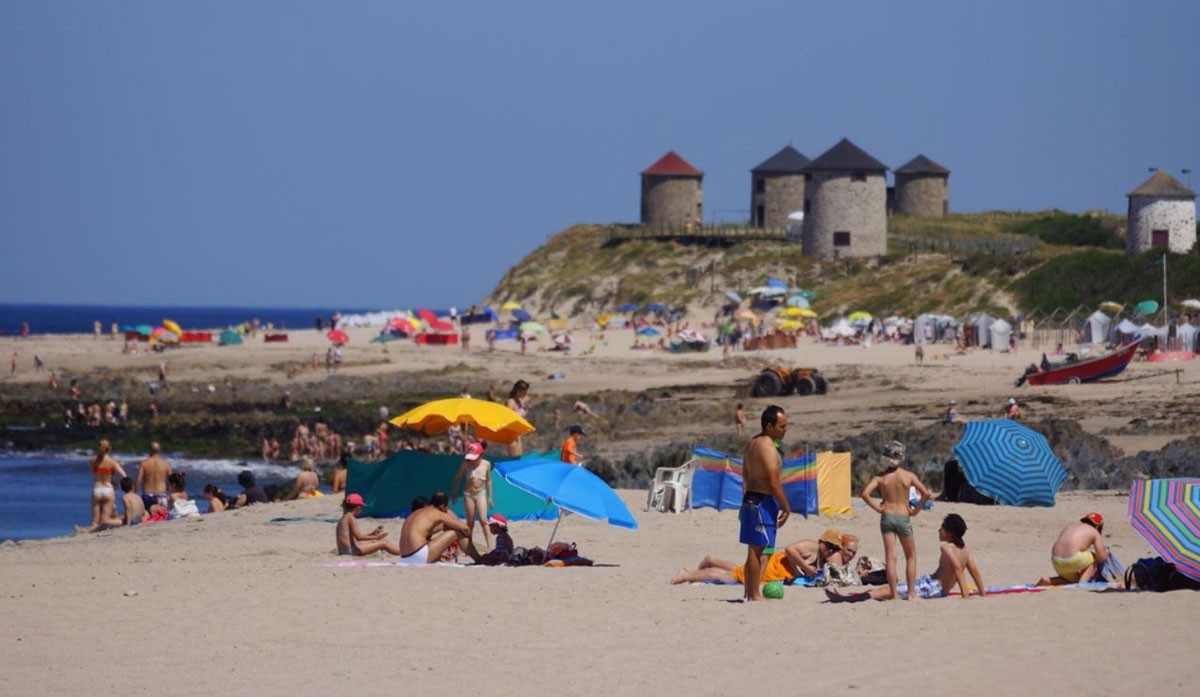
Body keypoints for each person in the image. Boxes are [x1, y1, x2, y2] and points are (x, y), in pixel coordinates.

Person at [826, 514, 985, 601]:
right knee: (889, 589)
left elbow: (957, 568)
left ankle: (844, 599)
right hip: (933, 585)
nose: (939, 530)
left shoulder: (946, 547)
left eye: (942, 528)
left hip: (932, 586)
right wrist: (982, 592)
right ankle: (850, 597)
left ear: (949, 533)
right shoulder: (966, 550)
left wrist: (965, 595)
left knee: (888, 589)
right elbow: (975, 572)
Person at [860, 440, 930, 601]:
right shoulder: (908, 476)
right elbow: (925, 494)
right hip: (903, 515)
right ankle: (912, 593)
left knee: (891, 557)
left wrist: (877, 508)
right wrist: (915, 510)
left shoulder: (881, 478)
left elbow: (864, 494)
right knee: (911, 555)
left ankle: (894, 594)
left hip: (887, 516)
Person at [739, 406, 792, 601]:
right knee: (757, 550)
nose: (785, 430)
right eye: (781, 426)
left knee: (754, 549)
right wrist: (786, 507)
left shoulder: (752, 443)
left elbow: (745, 474)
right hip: (761, 501)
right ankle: (753, 594)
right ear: (769, 426)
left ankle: (748, 591)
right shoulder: (767, 447)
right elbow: (773, 482)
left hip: (752, 498)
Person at [670, 529, 842, 586]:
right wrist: (804, 569)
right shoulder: (811, 546)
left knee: (740, 570)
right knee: (732, 577)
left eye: (833, 548)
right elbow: (790, 549)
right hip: (772, 567)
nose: (829, 550)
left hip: (777, 572)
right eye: (828, 545)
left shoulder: (824, 556)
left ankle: (712, 560)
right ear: (821, 541)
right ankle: (686, 574)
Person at [397, 492, 482, 565]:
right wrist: (468, 540)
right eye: (447, 508)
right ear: (442, 506)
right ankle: (479, 559)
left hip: (404, 557)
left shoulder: (416, 513)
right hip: (418, 556)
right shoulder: (437, 513)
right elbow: (465, 528)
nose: (447, 511)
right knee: (456, 532)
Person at [1037, 513, 1111, 586]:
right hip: (1072, 559)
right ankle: (1082, 583)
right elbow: (1102, 557)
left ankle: (1048, 580)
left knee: (1072, 580)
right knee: (1095, 557)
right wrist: (1106, 553)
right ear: (1098, 527)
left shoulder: (1070, 526)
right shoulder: (1094, 532)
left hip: (1056, 561)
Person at [76, 439, 127, 533]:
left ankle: (86, 530)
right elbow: (124, 476)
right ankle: (123, 522)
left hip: (97, 489)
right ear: (109, 448)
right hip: (108, 489)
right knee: (104, 520)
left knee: (95, 521)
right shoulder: (112, 462)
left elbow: (97, 472)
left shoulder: (93, 460)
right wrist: (117, 484)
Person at [450, 442, 493, 551]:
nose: (472, 460)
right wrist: (454, 492)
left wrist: (489, 497)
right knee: (470, 522)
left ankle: (490, 545)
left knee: (484, 520)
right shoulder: (466, 464)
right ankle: (469, 545)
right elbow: (457, 478)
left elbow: (488, 480)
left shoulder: (486, 464)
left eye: (474, 458)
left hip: (480, 493)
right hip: (468, 494)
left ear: (480, 455)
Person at [336, 494, 400, 556]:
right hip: (349, 551)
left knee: (373, 543)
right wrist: (376, 537)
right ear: (358, 507)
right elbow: (359, 537)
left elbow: (355, 538)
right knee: (384, 543)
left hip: (343, 550)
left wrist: (371, 534)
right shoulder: (351, 518)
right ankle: (402, 553)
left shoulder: (343, 518)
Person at [135, 442, 173, 510]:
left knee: (147, 516)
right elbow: (171, 481)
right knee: (161, 515)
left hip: (147, 495)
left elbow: (138, 480)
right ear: (159, 450)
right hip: (161, 495)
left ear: (150, 450)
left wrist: (134, 491)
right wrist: (169, 489)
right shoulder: (166, 464)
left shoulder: (144, 463)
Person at [504, 380, 530, 456]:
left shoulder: (519, 401)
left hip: (517, 432)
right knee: (514, 455)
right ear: (518, 391)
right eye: (524, 392)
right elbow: (509, 416)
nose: (525, 394)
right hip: (512, 433)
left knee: (519, 455)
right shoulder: (511, 401)